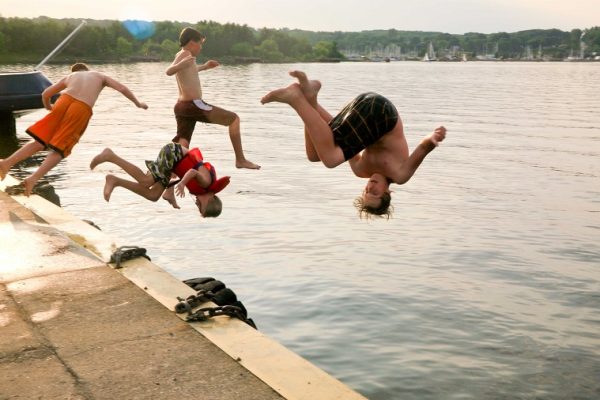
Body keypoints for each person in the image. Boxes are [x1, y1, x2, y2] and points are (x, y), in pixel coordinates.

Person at [261, 70, 447, 219]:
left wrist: (314, 107)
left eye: (366, 192)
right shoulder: (399, 174)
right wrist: (432, 138)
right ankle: (296, 99)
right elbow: (422, 149)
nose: (370, 188)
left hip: (364, 107)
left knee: (314, 155)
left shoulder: (360, 169)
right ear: (387, 193)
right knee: (331, 160)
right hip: (382, 113)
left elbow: (334, 133)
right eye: (375, 194)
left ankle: (309, 97)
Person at [0, 63, 148, 196]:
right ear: (87, 69)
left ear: (75, 70)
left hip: (63, 101)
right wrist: (138, 103)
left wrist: (50, 108)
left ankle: (6, 163)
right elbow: (122, 88)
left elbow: (45, 94)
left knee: (39, 142)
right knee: (59, 149)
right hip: (81, 108)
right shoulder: (99, 75)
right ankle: (32, 179)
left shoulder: (71, 76)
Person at [166, 27, 260, 170]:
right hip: (193, 105)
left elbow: (190, 71)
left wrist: (204, 67)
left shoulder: (185, 55)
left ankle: (168, 186)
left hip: (182, 107)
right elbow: (169, 71)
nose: (201, 47)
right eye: (200, 43)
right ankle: (240, 160)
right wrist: (180, 64)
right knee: (234, 119)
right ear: (192, 42)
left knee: (183, 143)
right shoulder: (185, 54)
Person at [89, 142, 229, 218]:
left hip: (173, 163)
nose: (197, 203)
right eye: (200, 206)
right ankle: (110, 156)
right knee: (146, 181)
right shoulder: (206, 183)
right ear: (210, 198)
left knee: (153, 195)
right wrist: (181, 183)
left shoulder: (201, 191)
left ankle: (115, 181)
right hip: (173, 153)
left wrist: (171, 193)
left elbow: (182, 172)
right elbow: (192, 172)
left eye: (198, 207)